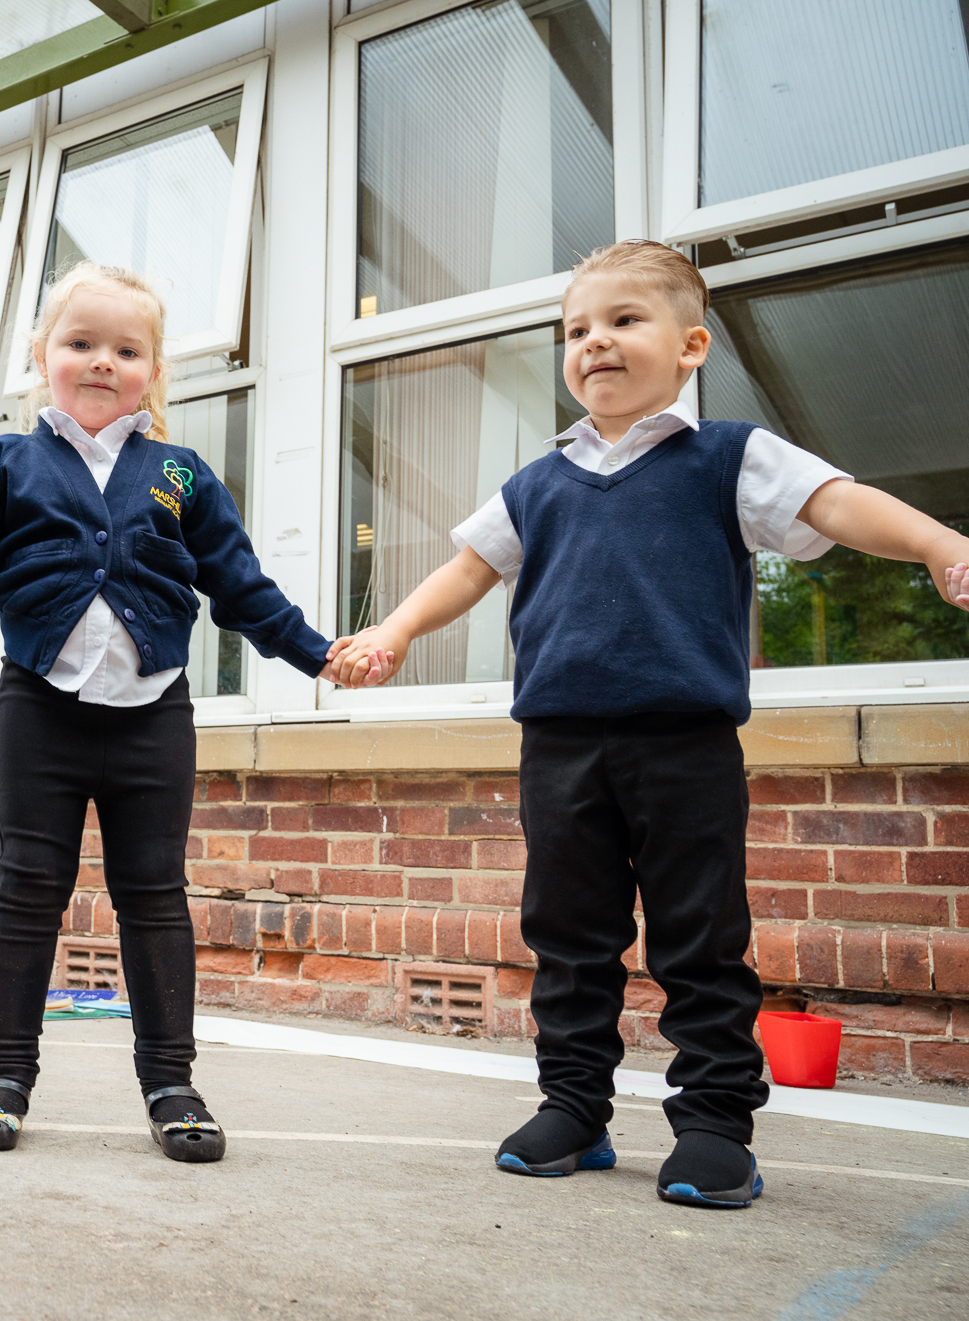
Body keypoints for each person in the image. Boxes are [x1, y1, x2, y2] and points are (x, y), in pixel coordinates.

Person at [326, 239, 969, 1208]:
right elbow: (467, 566)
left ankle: (712, 1124)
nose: (593, 342)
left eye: (622, 320)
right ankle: (572, 1107)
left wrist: (933, 541)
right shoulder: (537, 483)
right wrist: (395, 628)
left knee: (697, 938)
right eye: (575, 330)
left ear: (689, 345)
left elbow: (834, 505)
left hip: (684, 744)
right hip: (559, 746)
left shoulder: (729, 457)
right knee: (567, 934)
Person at [0, 262, 339, 1163]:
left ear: (153, 372)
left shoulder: (179, 474)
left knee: (155, 897)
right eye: (80, 343)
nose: (102, 361)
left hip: (154, 717)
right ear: (42, 357)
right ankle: (5, 1075)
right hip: (40, 710)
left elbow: (242, 586)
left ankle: (172, 1083)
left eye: (126, 349)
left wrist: (318, 653)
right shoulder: (4, 464)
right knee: (29, 887)